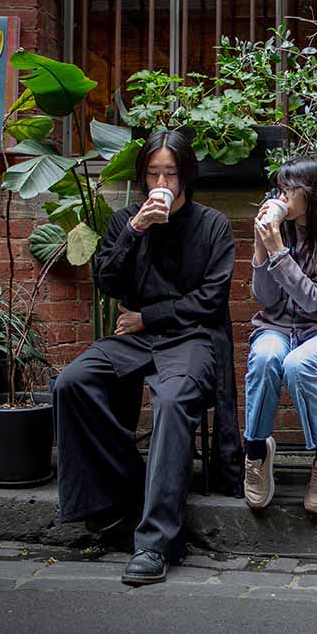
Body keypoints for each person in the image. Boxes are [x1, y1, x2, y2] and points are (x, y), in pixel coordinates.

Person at [53, 129, 237, 586]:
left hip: (191, 339)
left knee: (173, 401)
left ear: (186, 176)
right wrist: (135, 231)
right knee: (72, 383)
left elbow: (211, 300)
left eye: (170, 173)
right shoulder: (125, 221)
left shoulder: (213, 225)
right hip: (134, 340)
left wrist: (147, 316)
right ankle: (125, 489)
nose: (162, 181)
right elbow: (109, 283)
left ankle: (154, 543)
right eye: (153, 173)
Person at [243, 156, 317, 514]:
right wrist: (261, 248)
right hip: (276, 327)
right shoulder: (280, 231)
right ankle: (256, 451)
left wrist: (279, 251)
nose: (281, 197)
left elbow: (312, 300)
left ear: (311, 193)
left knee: (298, 364)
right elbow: (264, 298)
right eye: (278, 189)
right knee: (265, 357)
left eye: (288, 190)